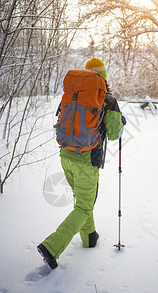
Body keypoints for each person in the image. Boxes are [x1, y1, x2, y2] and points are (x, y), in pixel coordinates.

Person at [37, 58, 125, 269]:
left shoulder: (72, 94)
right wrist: (120, 122)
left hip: (66, 155)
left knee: (83, 202)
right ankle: (52, 246)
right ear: (103, 77)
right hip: (87, 159)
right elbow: (114, 135)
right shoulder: (108, 99)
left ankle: (89, 238)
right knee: (85, 206)